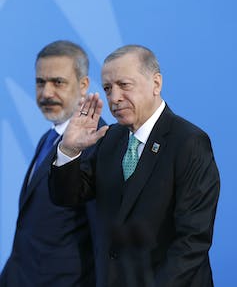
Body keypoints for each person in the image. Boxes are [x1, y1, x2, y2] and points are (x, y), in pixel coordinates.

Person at [49, 45, 220, 287]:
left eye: (124, 85)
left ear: (156, 84)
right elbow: (68, 197)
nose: (114, 98)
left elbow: (192, 241)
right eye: (108, 88)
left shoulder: (189, 142)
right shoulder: (109, 138)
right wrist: (69, 150)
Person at [0, 40, 106, 287]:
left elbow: (102, 235)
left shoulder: (97, 144)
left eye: (58, 82)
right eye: (40, 82)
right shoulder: (47, 139)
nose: (46, 93)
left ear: (83, 86)